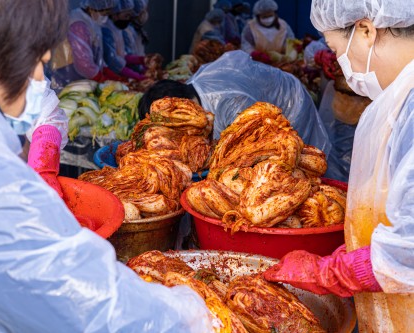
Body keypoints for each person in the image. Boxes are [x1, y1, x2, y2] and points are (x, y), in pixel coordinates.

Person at [0, 0, 215, 331]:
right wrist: (196, 313)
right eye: (37, 62)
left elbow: (47, 108)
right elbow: (100, 311)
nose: (41, 77)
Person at [264, 0, 414, 331]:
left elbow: (411, 248)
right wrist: (351, 253)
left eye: (335, 49)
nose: (342, 66)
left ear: (365, 30)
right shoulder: (400, 99)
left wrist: (331, 273)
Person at [139, 51, 331, 156]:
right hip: (264, 92)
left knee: (292, 155)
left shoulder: (230, 104)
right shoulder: (191, 93)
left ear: (181, 105)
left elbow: (259, 144)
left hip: (291, 102)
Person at [50, 0, 124, 87]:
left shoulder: (91, 22)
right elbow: (83, 64)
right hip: (66, 81)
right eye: (104, 12)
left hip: (79, 82)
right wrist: (103, 80)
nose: (106, 17)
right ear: (92, 7)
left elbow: (97, 58)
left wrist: (115, 78)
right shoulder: (79, 23)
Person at [102, 0, 146, 81]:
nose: (128, 19)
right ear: (115, 15)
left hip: (119, 77)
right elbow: (113, 62)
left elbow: (122, 56)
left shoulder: (117, 29)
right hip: (110, 78)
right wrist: (136, 76)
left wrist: (141, 60)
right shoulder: (106, 30)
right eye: (126, 16)